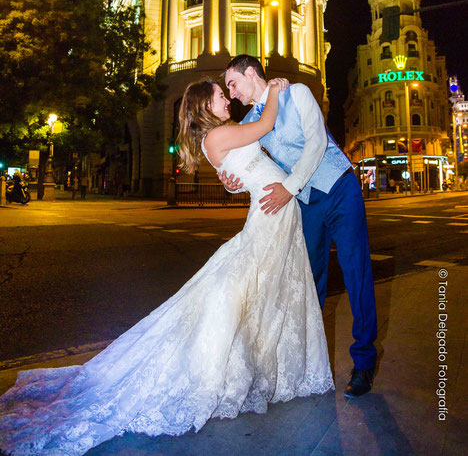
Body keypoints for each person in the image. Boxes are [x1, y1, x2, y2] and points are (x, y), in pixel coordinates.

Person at [0, 78, 332, 455]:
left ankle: (264, 366)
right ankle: (225, 369)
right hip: (271, 211)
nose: (227, 100)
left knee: (268, 291)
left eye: (227, 94)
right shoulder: (219, 135)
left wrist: (231, 184)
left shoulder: (222, 134)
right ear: (206, 106)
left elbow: (241, 175)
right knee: (248, 288)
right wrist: (273, 90)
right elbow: (267, 125)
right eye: (222, 96)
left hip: (276, 208)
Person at [220, 55, 377, 398]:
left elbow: (318, 143)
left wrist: (289, 187)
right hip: (306, 203)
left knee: (356, 274)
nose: (231, 93)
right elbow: (244, 163)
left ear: (251, 74)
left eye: (233, 83)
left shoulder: (299, 93)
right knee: (310, 283)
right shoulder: (251, 120)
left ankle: (364, 362)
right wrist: (232, 181)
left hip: (338, 187)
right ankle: (310, 361)